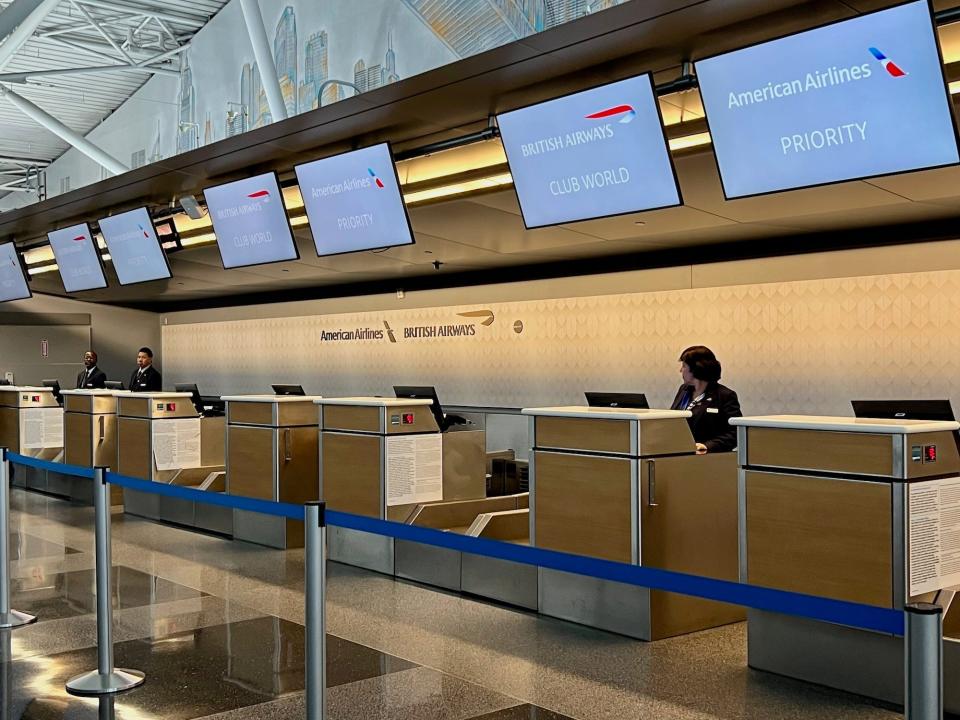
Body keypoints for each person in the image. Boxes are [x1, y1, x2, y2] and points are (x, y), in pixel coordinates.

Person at [669, 345, 742, 454]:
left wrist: (707, 446)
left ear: (696, 368)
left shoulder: (725, 396)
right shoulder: (684, 390)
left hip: (708, 459)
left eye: (684, 366)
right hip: (679, 453)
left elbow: (735, 433)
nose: (680, 370)